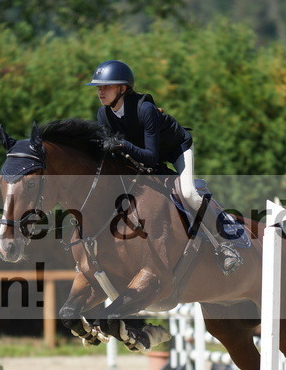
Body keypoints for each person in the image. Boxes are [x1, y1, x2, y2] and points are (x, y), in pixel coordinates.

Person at [86, 59, 242, 274]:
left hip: (176, 149)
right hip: (145, 156)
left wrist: (124, 144)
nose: (100, 91)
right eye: (99, 87)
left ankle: (225, 245)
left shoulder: (145, 109)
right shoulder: (103, 114)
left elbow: (151, 157)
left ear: (123, 88)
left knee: (188, 193)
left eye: (107, 86)